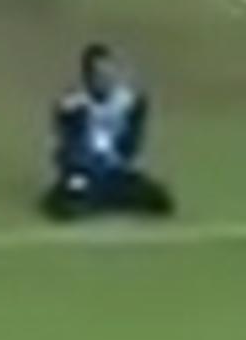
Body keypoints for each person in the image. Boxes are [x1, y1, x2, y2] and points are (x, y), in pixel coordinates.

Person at [43, 42, 174, 222]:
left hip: (116, 169)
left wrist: (128, 155)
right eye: (100, 73)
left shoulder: (127, 100)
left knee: (159, 200)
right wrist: (74, 164)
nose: (106, 77)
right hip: (86, 169)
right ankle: (82, 196)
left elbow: (135, 134)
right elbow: (66, 143)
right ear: (88, 76)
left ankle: (103, 199)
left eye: (109, 72)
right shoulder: (74, 104)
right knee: (69, 198)